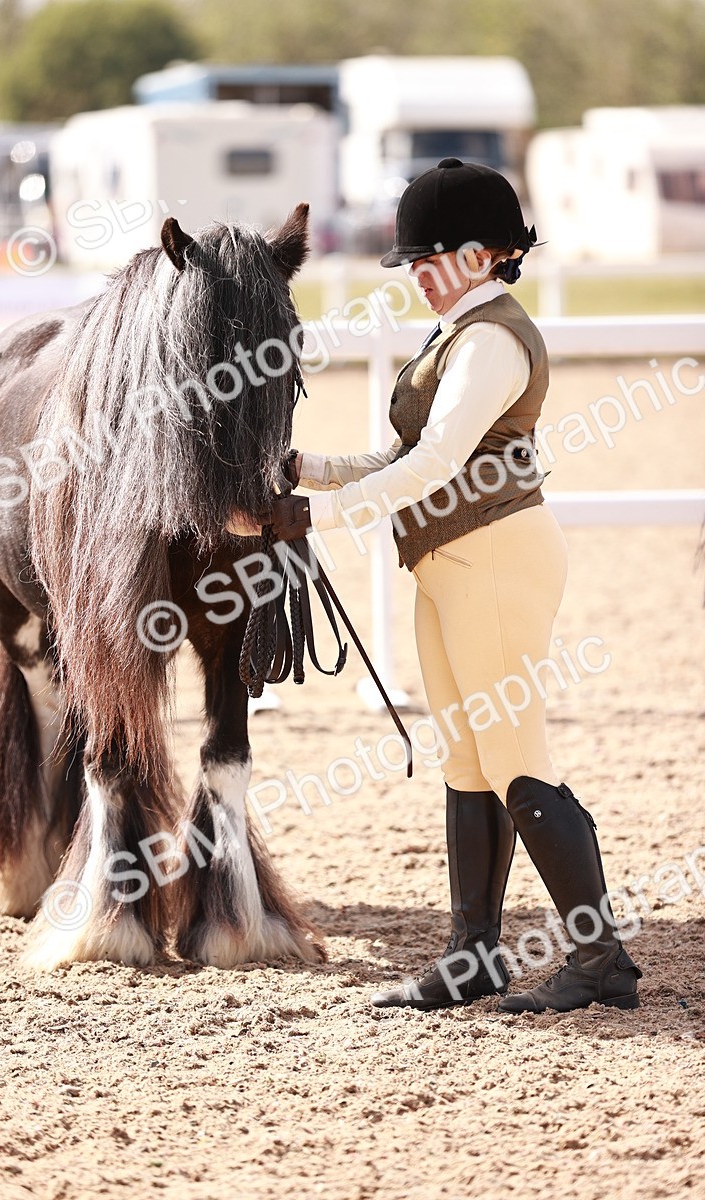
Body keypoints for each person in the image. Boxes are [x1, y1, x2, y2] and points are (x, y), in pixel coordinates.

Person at [267, 158, 642, 1014]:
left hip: (496, 560)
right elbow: (400, 459)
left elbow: (435, 464)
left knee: (518, 762)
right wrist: (304, 469)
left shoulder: (492, 341)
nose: (417, 277)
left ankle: (601, 960)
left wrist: (317, 518)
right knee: (467, 761)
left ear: (482, 254)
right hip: (446, 563)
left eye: (428, 260)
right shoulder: (457, 334)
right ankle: (473, 954)